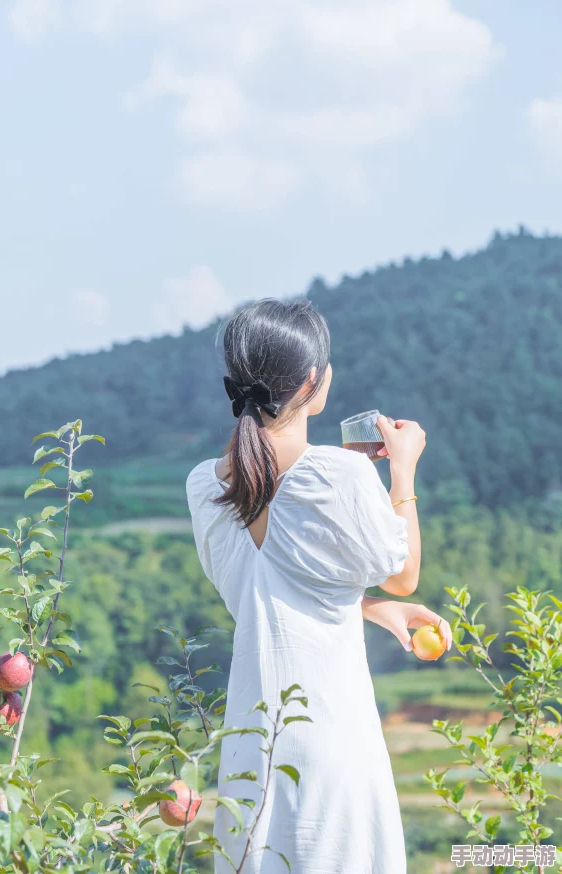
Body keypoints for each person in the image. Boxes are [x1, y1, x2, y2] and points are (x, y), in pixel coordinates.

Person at [185, 298, 452, 874]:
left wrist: (373, 609)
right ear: (314, 380)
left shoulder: (202, 485)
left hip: (248, 748)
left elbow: (273, 589)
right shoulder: (339, 472)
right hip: (331, 736)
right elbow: (405, 574)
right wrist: (401, 470)